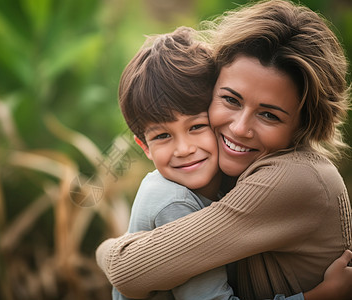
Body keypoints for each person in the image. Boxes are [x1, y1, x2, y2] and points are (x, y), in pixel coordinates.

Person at [96, 0, 352, 299]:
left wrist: (108, 249)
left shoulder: (292, 178)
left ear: (302, 124)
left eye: (269, 115)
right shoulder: (223, 173)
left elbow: (127, 270)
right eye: (231, 100)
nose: (240, 128)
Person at [113, 26, 237, 299]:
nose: (183, 149)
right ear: (144, 146)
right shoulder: (174, 204)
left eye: (196, 126)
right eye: (163, 136)